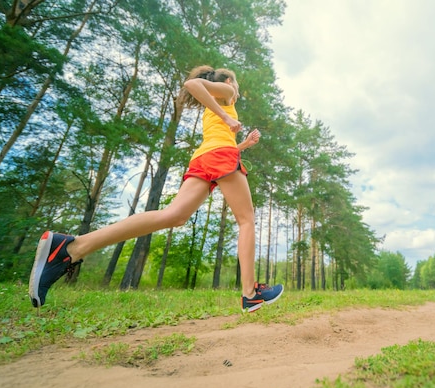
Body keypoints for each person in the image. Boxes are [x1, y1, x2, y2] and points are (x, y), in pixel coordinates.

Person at [28, 65, 284, 313]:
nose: (237, 90)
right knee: (246, 220)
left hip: (205, 158)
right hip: (219, 158)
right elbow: (192, 84)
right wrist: (227, 115)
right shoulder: (227, 92)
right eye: (236, 85)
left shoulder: (212, 110)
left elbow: (219, 144)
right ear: (229, 82)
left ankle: (72, 248)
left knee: (173, 216)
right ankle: (250, 294)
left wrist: (244, 145)